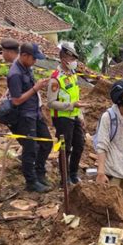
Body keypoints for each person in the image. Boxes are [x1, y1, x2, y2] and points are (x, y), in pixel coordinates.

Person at [7, 43, 52, 192]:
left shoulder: (27, 68)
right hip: (25, 116)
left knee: (47, 143)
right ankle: (31, 182)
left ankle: (40, 173)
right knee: (30, 148)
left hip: (35, 113)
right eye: (34, 58)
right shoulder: (15, 74)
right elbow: (16, 100)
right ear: (25, 55)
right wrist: (35, 88)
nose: (35, 62)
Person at [47, 44, 87, 184]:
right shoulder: (55, 78)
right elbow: (51, 103)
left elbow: (75, 97)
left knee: (80, 144)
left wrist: (80, 115)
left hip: (74, 115)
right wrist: (70, 106)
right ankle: (64, 179)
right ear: (64, 60)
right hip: (62, 118)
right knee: (66, 148)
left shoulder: (73, 75)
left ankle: (74, 173)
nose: (74, 62)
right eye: (72, 59)